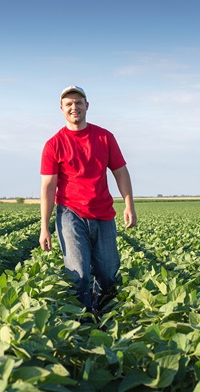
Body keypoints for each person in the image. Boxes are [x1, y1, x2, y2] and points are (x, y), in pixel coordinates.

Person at [39, 85, 137, 314]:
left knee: (108, 273)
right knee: (78, 274)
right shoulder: (53, 144)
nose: (74, 107)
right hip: (70, 213)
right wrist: (45, 227)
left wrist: (129, 204)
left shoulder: (104, 137)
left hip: (103, 213)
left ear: (87, 106)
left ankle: (103, 314)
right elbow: (48, 186)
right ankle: (82, 322)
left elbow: (120, 172)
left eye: (78, 102)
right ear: (61, 109)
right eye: (69, 104)